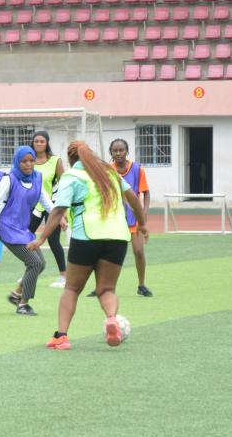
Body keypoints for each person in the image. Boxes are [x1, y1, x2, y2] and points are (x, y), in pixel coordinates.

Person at [32, 141, 148, 350]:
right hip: (117, 237)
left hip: (86, 236)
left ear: (71, 159)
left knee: (72, 288)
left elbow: (58, 210)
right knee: (106, 290)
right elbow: (133, 198)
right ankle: (111, 319)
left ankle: (62, 336)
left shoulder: (71, 176)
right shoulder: (110, 173)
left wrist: (41, 239)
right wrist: (143, 224)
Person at [0, 146, 53, 315]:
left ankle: (16, 294)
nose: (28, 164)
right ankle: (23, 305)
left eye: (31, 161)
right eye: (24, 161)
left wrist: (60, 217)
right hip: (5, 227)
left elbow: (45, 201)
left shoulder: (37, 178)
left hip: (21, 228)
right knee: (34, 263)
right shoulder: (9, 180)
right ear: (17, 162)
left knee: (41, 264)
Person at [110, 138, 153, 297]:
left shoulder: (137, 169)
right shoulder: (108, 170)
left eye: (121, 150)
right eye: (115, 150)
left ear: (127, 151)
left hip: (134, 218)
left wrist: (144, 213)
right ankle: (103, 286)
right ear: (111, 153)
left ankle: (141, 285)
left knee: (139, 252)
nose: (118, 153)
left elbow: (146, 193)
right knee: (108, 254)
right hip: (115, 219)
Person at [29, 130, 67, 288]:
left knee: (53, 240)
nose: (38, 143)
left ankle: (64, 277)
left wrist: (62, 212)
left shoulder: (55, 161)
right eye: (36, 141)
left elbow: (64, 185)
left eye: (42, 141)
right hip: (33, 205)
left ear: (47, 143)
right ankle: (33, 270)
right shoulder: (28, 160)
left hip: (52, 205)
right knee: (26, 236)